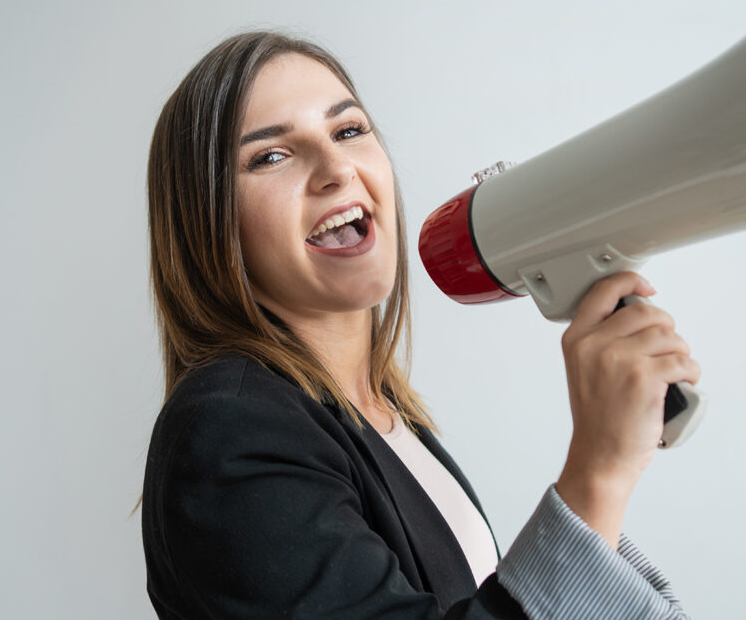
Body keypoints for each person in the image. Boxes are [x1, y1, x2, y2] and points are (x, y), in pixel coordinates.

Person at [141, 31, 701, 619]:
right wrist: (598, 473)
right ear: (208, 222)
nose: (336, 168)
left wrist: (614, 463)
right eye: (271, 156)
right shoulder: (230, 431)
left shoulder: (382, 418)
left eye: (349, 130)